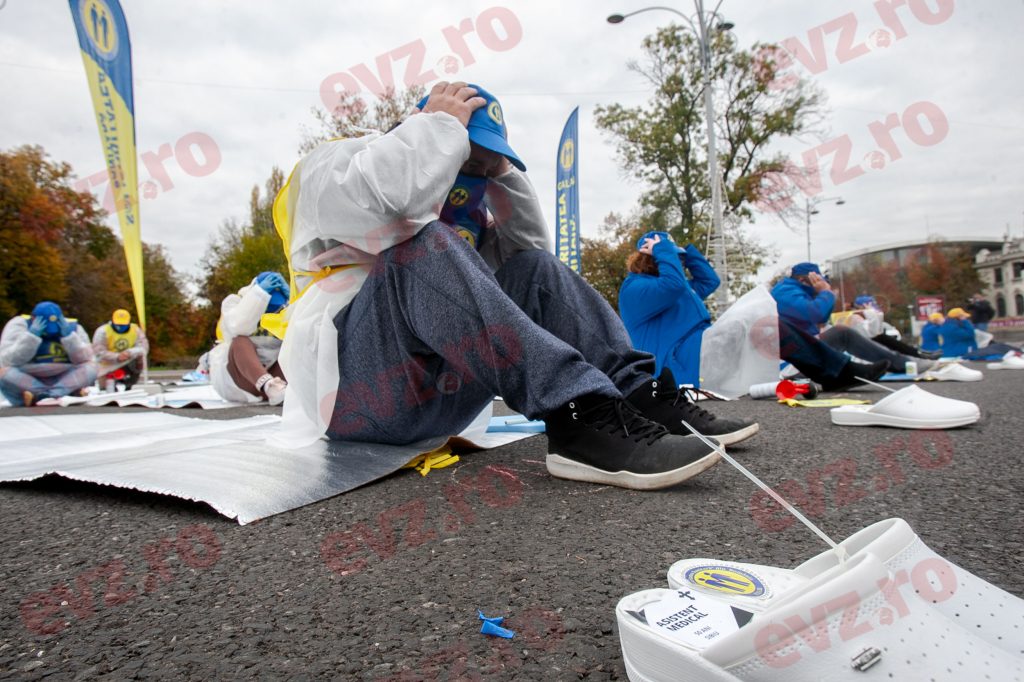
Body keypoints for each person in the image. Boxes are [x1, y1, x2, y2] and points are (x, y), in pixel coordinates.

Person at [272, 81, 758, 491]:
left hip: (438, 400)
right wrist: (438, 129)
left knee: (534, 270)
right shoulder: (336, 167)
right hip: (355, 398)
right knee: (421, 244)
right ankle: (576, 412)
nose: (473, 184)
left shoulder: (469, 227)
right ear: (421, 135)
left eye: (487, 172)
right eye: (467, 164)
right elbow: (393, 200)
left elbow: (532, 254)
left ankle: (637, 398)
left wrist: (504, 177)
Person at [771, 263, 936, 387]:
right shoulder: (785, 292)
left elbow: (818, 321)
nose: (821, 285)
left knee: (863, 332)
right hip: (789, 363)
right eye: (817, 281)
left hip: (797, 355)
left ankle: (911, 357)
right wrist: (825, 293)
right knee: (843, 333)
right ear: (803, 280)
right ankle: (904, 363)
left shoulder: (794, 292)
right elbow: (817, 314)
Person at [208, 272, 289, 405]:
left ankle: (282, 389)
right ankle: (269, 385)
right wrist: (259, 295)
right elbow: (237, 326)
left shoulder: (283, 306)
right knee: (240, 341)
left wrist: (292, 301)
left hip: (277, 377)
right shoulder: (233, 302)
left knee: (294, 341)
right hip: (240, 379)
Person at [0, 301, 97, 406]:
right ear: (33, 318)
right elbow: (7, 360)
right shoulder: (18, 325)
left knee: (91, 368)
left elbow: (85, 359)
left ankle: (49, 395)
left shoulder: (74, 327)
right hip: (30, 375)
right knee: (4, 372)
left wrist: (70, 338)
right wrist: (31, 337)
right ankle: (52, 394)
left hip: (63, 375)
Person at [846, 295, 941, 360]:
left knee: (885, 338)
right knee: (884, 339)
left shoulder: (863, 316)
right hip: (860, 346)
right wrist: (871, 314)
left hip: (867, 342)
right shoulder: (855, 316)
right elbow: (870, 332)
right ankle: (918, 354)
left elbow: (876, 331)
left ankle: (918, 353)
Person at [92, 308, 149, 390]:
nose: (120, 326)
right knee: (105, 389)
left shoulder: (135, 330)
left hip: (128, 361)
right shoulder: (102, 331)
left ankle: (130, 384)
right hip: (107, 364)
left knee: (140, 358)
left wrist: (129, 352)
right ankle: (109, 383)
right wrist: (117, 356)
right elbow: (98, 352)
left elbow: (143, 348)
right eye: (118, 324)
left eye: (123, 324)